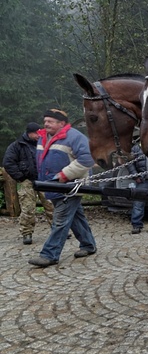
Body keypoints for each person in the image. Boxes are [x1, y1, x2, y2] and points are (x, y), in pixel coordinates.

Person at [28, 109, 98, 268]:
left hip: (70, 186)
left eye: (50, 121)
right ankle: (88, 245)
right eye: (45, 121)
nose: (46, 124)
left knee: (60, 220)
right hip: (53, 186)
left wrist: (63, 175)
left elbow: (87, 159)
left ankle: (49, 254)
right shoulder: (42, 137)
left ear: (61, 123)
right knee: (75, 217)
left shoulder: (75, 137)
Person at [3, 122, 54, 244]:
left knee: (51, 205)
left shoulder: (43, 143)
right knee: (27, 209)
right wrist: (20, 177)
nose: (38, 135)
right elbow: (8, 163)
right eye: (36, 133)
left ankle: (58, 230)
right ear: (29, 133)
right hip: (27, 181)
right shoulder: (16, 146)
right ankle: (27, 233)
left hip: (43, 179)